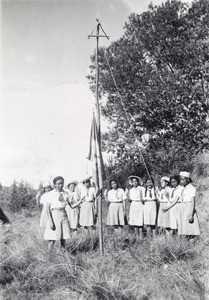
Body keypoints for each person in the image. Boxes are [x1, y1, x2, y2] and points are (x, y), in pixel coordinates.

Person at [44, 176, 84, 252]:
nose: (60, 185)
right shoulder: (51, 194)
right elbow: (47, 208)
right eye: (58, 184)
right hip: (54, 215)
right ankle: (49, 257)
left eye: (62, 183)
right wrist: (50, 221)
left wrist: (80, 201)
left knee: (63, 238)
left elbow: (72, 205)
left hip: (63, 215)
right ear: (54, 185)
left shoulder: (66, 194)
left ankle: (63, 256)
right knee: (52, 239)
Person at [164, 172, 200, 237]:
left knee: (190, 229)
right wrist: (167, 208)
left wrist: (191, 215)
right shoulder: (181, 188)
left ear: (188, 180)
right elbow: (176, 199)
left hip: (188, 208)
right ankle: (184, 244)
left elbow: (192, 202)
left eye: (183, 180)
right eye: (180, 180)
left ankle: (191, 244)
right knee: (184, 229)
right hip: (182, 208)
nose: (181, 181)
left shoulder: (191, 188)